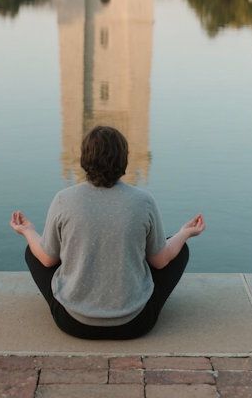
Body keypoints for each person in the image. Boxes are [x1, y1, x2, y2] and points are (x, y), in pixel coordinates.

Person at [10, 125, 205, 339]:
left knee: (34, 251)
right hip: (136, 323)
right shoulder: (143, 201)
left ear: (84, 158)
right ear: (124, 160)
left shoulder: (63, 199)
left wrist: (28, 231)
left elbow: (47, 260)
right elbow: (159, 260)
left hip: (73, 323)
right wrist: (183, 233)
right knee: (178, 249)